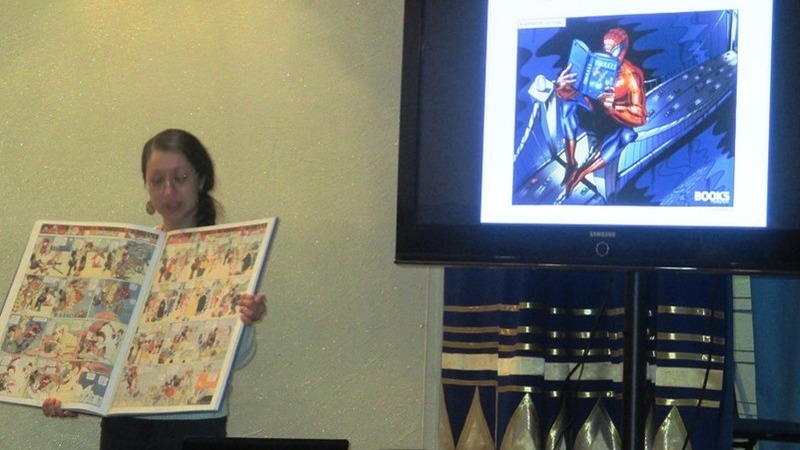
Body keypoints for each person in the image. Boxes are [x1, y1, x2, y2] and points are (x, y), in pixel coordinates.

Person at [41, 129, 268, 450]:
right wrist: (69, 392)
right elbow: (103, 342)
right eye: (157, 180)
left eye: (181, 178)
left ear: (201, 180)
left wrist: (247, 320)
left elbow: (240, 358)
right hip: (125, 425)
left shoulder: (228, 254)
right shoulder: (128, 258)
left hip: (195, 422)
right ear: (146, 186)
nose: (168, 191)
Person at [556, 27, 647, 199]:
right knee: (567, 106)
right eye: (606, 48)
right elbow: (572, 95)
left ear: (622, 49)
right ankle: (571, 163)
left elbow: (640, 117)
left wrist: (613, 108)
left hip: (614, 124)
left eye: (614, 49)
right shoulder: (594, 65)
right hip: (593, 114)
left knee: (627, 135)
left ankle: (581, 172)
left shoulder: (631, 76)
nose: (609, 53)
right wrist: (561, 87)